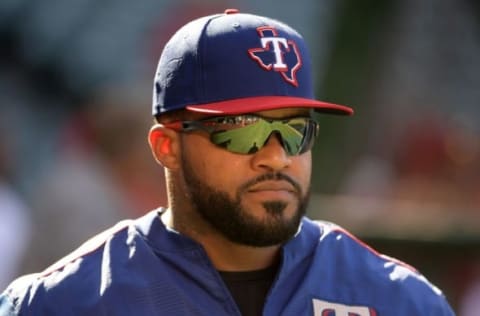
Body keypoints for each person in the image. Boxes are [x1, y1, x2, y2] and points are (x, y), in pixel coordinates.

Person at [0, 9, 454, 315]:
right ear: (166, 146)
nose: (275, 156)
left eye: (296, 129)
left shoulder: (396, 299)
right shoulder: (69, 301)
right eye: (242, 130)